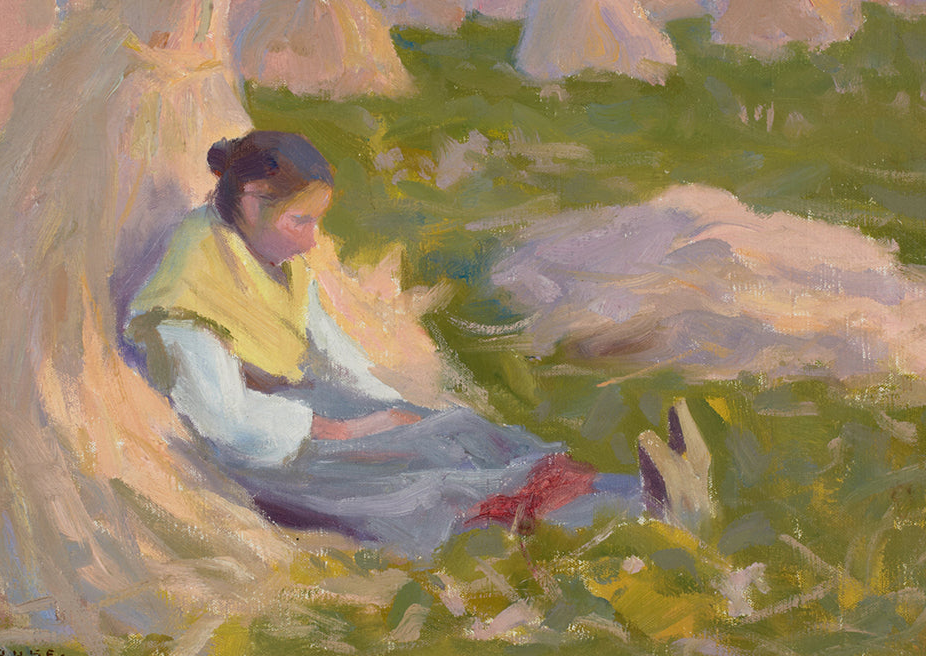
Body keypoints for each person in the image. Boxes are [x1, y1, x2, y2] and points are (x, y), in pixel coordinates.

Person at [126, 130, 711, 558]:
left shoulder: (270, 257)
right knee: (434, 485)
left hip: (305, 415)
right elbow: (226, 423)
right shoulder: (189, 290)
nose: (312, 241)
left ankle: (636, 488)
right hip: (273, 457)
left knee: (453, 430)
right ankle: (634, 509)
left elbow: (332, 355)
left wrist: (393, 409)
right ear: (253, 200)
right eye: (301, 222)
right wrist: (353, 430)